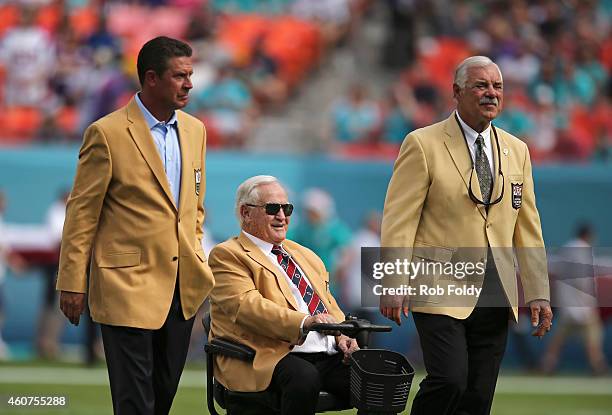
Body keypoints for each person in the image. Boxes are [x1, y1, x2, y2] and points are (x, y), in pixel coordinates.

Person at [379, 56, 553, 415]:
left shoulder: (517, 149)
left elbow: (528, 227)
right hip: (438, 280)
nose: (491, 93)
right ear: (456, 92)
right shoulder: (422, 143)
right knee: (449, 381)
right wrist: (393, 281)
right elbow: (399, 218)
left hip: (496, 286)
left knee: (478, 396)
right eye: (481, 85)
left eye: (497, 86)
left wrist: (538, 291)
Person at [56, 36, 215, 415]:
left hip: (181, 289)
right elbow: (82, 214)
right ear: (151, 78)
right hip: (125, 285)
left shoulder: (196, 131)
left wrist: (196, 255)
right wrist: (72, 281)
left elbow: (194, 209)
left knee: (161, 399)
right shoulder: (106, 134)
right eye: (180, 76)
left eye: (190, 75)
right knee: (134, 403)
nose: (190, 84)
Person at [208, 175, 358, 415]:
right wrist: (304, 322)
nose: (282, 216)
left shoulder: (305, 254)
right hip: (266, 354)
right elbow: (246, 306)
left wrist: (342, 333)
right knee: (303, 378)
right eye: (272, 208)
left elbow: (329, 303)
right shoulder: (227, 255)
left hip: (325, 353)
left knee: (379, 375)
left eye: (286, 208)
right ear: (246, 213)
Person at [541, 224, 608, 375]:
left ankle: (548, 364)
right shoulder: (583, 250)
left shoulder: (566, 249)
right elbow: (584, 281)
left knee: (558, 339)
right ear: (588, 235)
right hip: (583, 305)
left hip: (567, 305)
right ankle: (598, 367)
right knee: (593, 339)